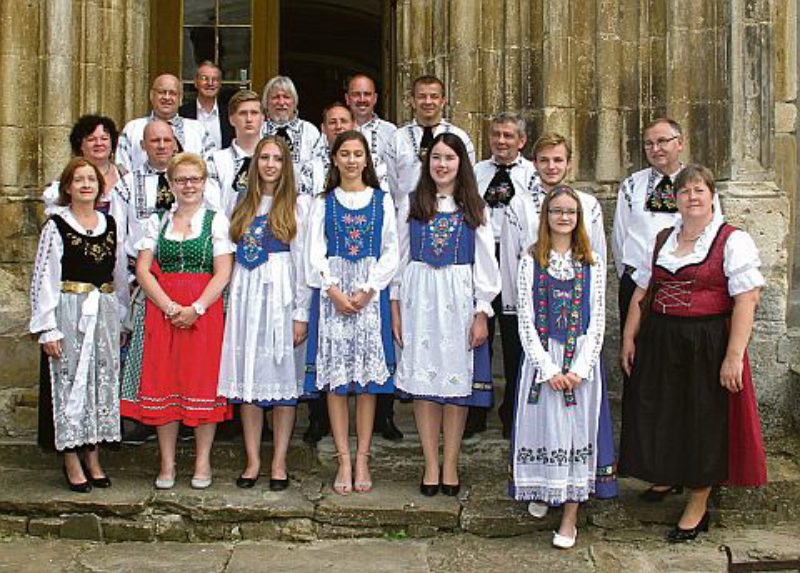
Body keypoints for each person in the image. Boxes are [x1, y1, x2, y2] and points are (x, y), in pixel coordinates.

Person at [619, 164, 766, 542]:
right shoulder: (664, 238)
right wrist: (629, 338)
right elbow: (641, 293)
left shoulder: (731, 240)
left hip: (707, 342)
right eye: (684, 192)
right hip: (661, 339)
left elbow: (747, 298)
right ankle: (668, 474)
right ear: (675, 199)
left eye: (699, 190)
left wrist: (734, 356)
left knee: (704, 419)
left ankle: (699, 500)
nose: (692, 197)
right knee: (664, 411)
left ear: (712, 196)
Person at [611, 118, 720, 502]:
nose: (656, 149)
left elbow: (712, 232)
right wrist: (636, 281)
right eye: (648, 143)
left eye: (663, 141)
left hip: (690, 291)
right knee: (645, 381)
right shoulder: (631, 187)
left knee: (685, 387)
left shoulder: (698, 187)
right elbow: (620, 238)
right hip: (642, 286)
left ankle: (688, 469)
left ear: (680, 142)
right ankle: (657, 466)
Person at [393, 133, 500, 497]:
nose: (441, 164)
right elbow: (398, 259)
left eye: (449, 158)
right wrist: (395, 307)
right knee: (425, 385)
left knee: (455, 387)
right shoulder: (412, 203)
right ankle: (430, 464)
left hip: (458, 299)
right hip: (419, 298)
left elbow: (486, 267)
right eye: (436, 157)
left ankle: (451, 463)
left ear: (460, 164)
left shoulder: (474, 208)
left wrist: (482, 312)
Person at [124, 153, 234, 490]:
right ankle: (167, 463)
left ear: (204, 183)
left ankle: (202, 462)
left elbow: (224, 271)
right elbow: (143, 270)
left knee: (201, 384)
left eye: (195, 179)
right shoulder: (156, 222)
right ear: (170, 184)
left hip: (204, 312)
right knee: (164, 383)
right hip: (162, 310)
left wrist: (196, 308)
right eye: (182, 179)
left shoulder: (216, 221)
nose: (189, 185)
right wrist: (170, 307)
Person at [508, 185, 607, 549]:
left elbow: (597, 320)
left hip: (581, 360)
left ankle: (569, 516)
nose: (563, 217)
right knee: (544, 430)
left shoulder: (592, 261)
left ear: (579, 218)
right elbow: (526, 320)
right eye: (556, 211)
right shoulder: (531, 258)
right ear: (545, 217)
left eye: (570, 212)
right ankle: (544, 487)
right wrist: (546, 368)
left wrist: (580, 368)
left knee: (575, 435)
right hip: (543, 361)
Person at [304, 130, 399, 495]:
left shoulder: (381, 200)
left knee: (367, 383)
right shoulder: (323, 201)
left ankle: (363, 456)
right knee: (338, 382)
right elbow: (314, 251)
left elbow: (391, 249)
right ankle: (343, 457)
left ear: (366, 159)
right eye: (345, 153)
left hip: (368, 294)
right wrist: (332, 289)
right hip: (334, 294)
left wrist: (368, 289)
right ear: (335, 159)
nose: (352, 160)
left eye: (358, 153)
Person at [217, 136, 311, 490]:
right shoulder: (240, 201)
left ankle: (279, 461)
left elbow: (303, 262)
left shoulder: (297, 206)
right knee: (250, 379)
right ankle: (253, 459)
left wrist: (300, 311)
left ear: (285, 165)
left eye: (277, 159)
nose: (270, 164)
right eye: (264, 158)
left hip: (280, 293)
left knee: (283, 378)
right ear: (255, 163)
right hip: (246, 295)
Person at [30, 157, 128, 492]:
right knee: (71, 381)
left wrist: (122, 317)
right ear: (67, 187)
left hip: (103, 311)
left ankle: (93, 455)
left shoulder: (110, 223)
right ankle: (71, 458)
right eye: (79, 179)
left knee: (99, 381)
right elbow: (44, 278)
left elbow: (117, 274)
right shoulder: (56, 226)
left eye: (91, 179)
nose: (86, 185)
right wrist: (48, 328)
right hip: (69, 312)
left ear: (100, 187)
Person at [500, 133, 608, 440]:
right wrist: (512, 308)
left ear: (569, 164)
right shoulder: (519, 205)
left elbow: (595, 254)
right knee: (532, 381)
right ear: (534, 163)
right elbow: (509, 256)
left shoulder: (587, 204)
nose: (551, 166)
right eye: (544, 160)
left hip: (576, 312)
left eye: (558, 160)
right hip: (531, 310)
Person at [468, 112, 538, 439]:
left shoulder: (533, 176)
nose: (501, 141)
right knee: (479, 333)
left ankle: (513, 409)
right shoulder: (477, 172)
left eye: (508, 136)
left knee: (514, 336)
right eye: (496, 134)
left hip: (516, 259)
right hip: (482, 255)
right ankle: (475, 410)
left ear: (521, 141)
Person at [387, 75, 476, 203]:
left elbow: (467, 178)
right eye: (422, 96)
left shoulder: (460, 137)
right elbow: (391, 184)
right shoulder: (397, 139)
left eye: (434, 96)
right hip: (407, 214)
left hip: (449, 213)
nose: (428, 102)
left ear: (443, 101)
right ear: (412, 101)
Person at [117, 74, 214, 173]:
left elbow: (210, 169)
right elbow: (122, 169)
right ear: (151, 95)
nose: (167, 97)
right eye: (162, 92)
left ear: (180, 98)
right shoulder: (132, 129)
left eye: (172, 93)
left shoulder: (198, 130)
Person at [43, 115, 123, 214]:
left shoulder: (124, 175)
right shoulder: (71, 175)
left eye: (104, 138)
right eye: (91, 139)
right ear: (80, 144)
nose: (98, 143)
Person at [206, 90, 265, 215]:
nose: (249, 119)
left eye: (254, 113)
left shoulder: (275, 160)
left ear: (263, 118)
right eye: (243, 113)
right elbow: (212, 206)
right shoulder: (216, 161)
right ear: (231, 119)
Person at [260, 75, 320, 183]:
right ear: (266, 103)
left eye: (286, 97)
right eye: (275, 97)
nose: (281, 102)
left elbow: (318, 170)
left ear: (294, 102)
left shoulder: (310, 131)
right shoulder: (258, 130)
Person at [345, 73, 396, 190]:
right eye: (356, 94)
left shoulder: (390, 131)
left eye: (367, 94)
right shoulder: (338, 129)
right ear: (347, 99)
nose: (362, 99)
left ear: (375, 98)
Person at [298, 102, 354, 197]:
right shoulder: (311, 168)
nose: (339, 126)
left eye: (343, 121)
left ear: (354, 125)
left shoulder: (372, 163)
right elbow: (303, 208)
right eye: (333, 122)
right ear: (323, 128)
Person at [179, 61, 234, 150]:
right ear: (196, 82)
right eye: (204, 78)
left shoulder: (230, 114)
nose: (210, 83)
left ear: (220, 84)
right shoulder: (182, 114)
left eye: (215, 79)